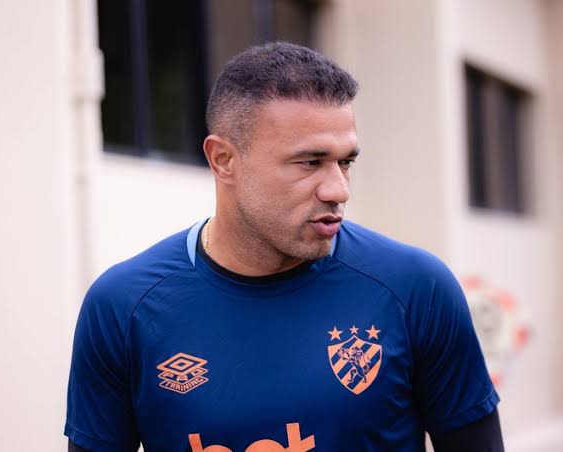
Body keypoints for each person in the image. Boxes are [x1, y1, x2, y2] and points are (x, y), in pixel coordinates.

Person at [65, 42, 503, 452]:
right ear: (223, 160)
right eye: (310, 162)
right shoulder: (124, 306)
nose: (339, 189)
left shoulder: (416, 288)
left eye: (345, 161)